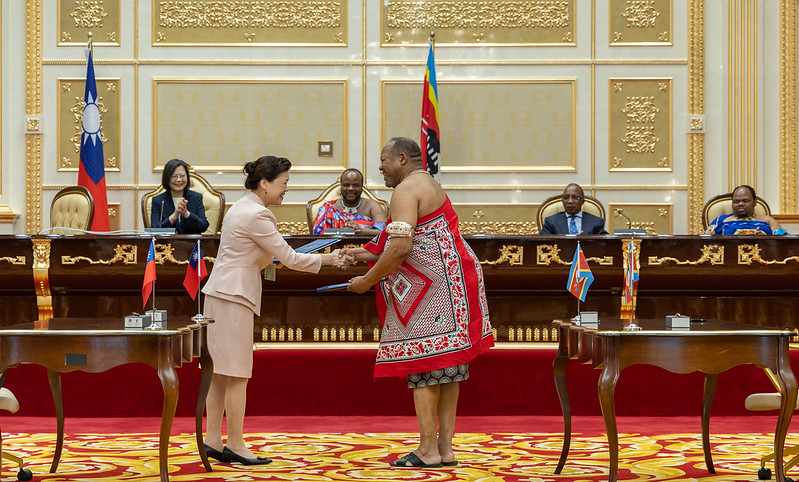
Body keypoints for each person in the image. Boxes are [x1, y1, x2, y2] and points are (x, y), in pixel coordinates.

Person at [342, 137, 494, 468]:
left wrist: (367, 281)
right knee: (449, 367)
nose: (379, 167)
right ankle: (444, 448)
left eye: (383, 160)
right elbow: (402, 240)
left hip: (434, 290)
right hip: (454, 283)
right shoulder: (426, 183)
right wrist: (359, 253)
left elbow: (399, 248)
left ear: (401, 158)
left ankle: (427, 451)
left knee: (426, 364)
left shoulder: (405, 190)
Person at [201, 155, 350, 465]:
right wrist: (329, 259)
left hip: (221, 293)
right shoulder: (258, 215)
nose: (286, 190)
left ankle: (213, 440)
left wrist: (278, 258)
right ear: (265, 183)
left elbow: (268, 255)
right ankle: (236, 444)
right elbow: (290, 258)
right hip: (234, 296)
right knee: (237, 373)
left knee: (221, 373)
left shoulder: (241, 207)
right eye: (283, 184)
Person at [311, 168, 387, 235]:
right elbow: (319, 235)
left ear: (362, 187)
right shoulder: (329, 208)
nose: (350, 188)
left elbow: (384, 233)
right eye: (346, 185)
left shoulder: (373, 207)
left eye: (356, 185)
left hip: (365, 249)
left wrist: (361, 231)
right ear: (341, 186)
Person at [149, 158, 210, 234]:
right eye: (174, 176)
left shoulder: (196, 197)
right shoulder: (158, 201)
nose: (179, 180)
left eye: (182, 176)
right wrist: (174, 216)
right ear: (167, 178)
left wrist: (187, 214)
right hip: (167, 245)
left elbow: (204, 226)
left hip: (191, 244)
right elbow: (154, 230)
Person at [705, 185, 785, 235]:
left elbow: (783, 242)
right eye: (736, 202)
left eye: (745, 201)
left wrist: (763, 238)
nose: (740, 204)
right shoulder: (721, 220)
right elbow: (706, 243)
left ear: (755, 202)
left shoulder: (768, 220)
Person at [539, 183, 608, 235]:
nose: (570, 201)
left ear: (582, 202)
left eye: (576, 197)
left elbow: (603, 244)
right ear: (562, 201)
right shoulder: (551, 222)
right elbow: (544, 243)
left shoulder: (596, 222)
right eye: (566, 197)